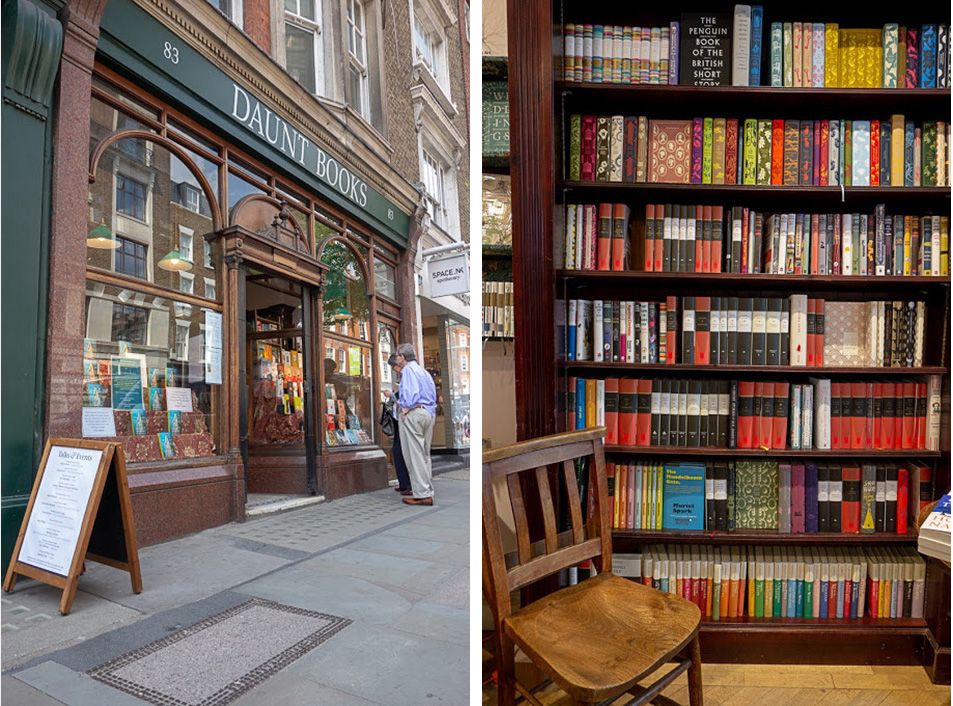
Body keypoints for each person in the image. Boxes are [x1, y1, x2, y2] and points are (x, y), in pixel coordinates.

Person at [393, 343, 437, 506]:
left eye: (397, 355)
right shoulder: (422, 371)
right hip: (428, 412)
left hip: (415, 413)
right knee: (424, 454)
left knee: (414, 454)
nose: (396, 358)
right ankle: (427, 490)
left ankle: (422, 494)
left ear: (402, 358)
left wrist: (405, 410)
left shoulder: (408, 371)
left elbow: (411, 395)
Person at [382, 353, 413, 495]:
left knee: (403, 451)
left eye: (394, 366)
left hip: (406, 417)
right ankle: (404, 483)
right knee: (398, 450)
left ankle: (408, 485)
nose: (395, 369)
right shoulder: (404, 376)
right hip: (399, 418)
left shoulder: (408, 375)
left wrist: (391, 395)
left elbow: (406, 397)